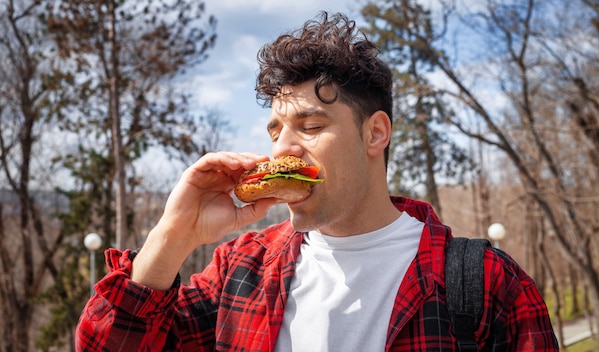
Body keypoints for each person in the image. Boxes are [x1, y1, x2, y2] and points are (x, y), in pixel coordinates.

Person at [75, 11, 559, 351]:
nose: (283, 148)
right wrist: (173, 235)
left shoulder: (489, 283)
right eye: (275, 131)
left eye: (310, 127)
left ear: (375, 133)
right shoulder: (239, 272)